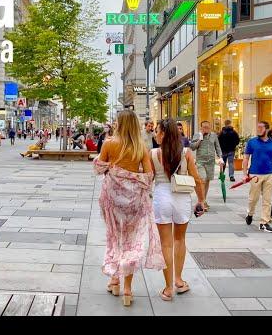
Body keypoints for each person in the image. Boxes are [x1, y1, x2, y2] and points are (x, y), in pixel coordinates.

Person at [93, 109, 165, 307]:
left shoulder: (109, 143)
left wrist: (113, 169)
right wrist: (133, 176)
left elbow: (99, 167)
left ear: (119, 124)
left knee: (115, 237)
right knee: (132, 242)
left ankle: (114, 280)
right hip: (134, 200)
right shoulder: (141, 147)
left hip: (112, 198)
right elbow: (149, 176)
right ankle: (127, 289)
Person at [152, 118, 205, 301]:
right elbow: (197, 179)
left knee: (165, 243)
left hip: (161, 197)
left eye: (157, 131)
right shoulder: (186, 153)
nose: (155, 134)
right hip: (182, 197)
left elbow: (148, 179)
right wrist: (201, 201)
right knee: (180, 239)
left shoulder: (153, 154)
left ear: (164, 133)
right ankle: (179, 280)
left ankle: (168, 288)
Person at [242, 121, 272, 233]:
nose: (258, 129)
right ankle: (250, 213)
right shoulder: (252, 142)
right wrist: (245, 174)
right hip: (255, 174)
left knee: (267, 199)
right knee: (253, 199)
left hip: (270, 174)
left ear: (267, 129)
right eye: (257, 127)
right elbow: (246, 158)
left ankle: (264, 222)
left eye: (261, 127)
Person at [190, 120, 223, 211]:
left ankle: (203, 200)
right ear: (201, 128)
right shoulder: (197, 135)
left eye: (208, 127)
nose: (206, 129)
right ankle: (202, 201)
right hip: (200, 161)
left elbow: (218, 147)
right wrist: (199, 140)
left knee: (207, 180)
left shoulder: (214, 136)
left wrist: (220, 158)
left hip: (210, 162)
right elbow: (192, 147)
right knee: (202, 179)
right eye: (204, 127)